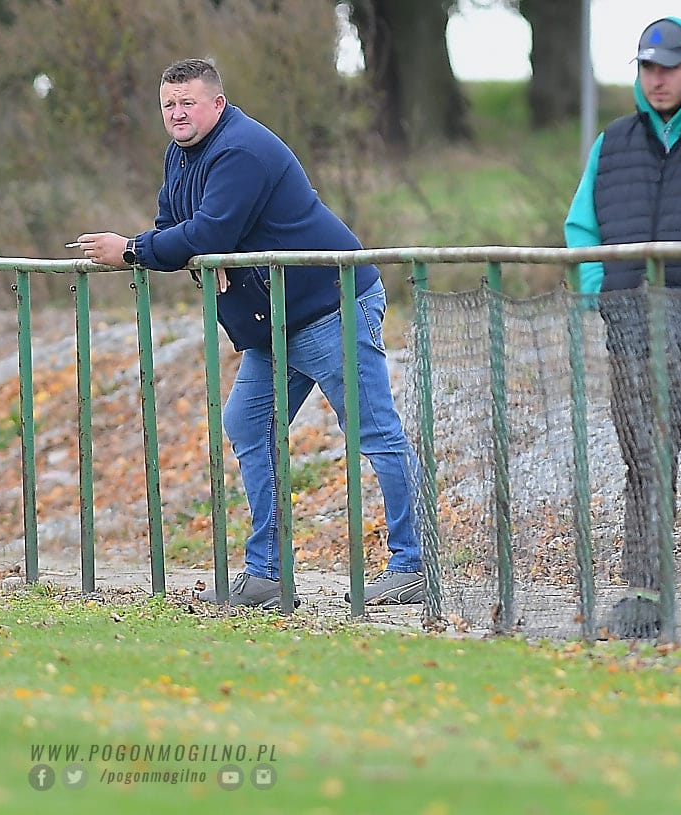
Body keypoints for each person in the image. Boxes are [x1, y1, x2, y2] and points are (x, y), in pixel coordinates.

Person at [75, 57, 423, 611]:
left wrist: (136, 250)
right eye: (168, 105)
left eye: (188, 103)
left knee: (373, 431)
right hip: (274, 319)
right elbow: (176, 227)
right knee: (247, 423)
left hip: (331, 304)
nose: (177, 113)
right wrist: (182, 251)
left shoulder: (240, 150)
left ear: (217, 103)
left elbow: (207, 233)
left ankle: (413, 566)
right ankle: (267, 576)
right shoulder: (181, 155)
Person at [564, 16, 681, 638]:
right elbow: (583, 229)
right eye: (648, 67)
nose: (658, 79)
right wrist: (602, 294)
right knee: (645, 466)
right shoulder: (612, 143)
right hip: (633, 335)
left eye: (670, 66)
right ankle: (645, 597)